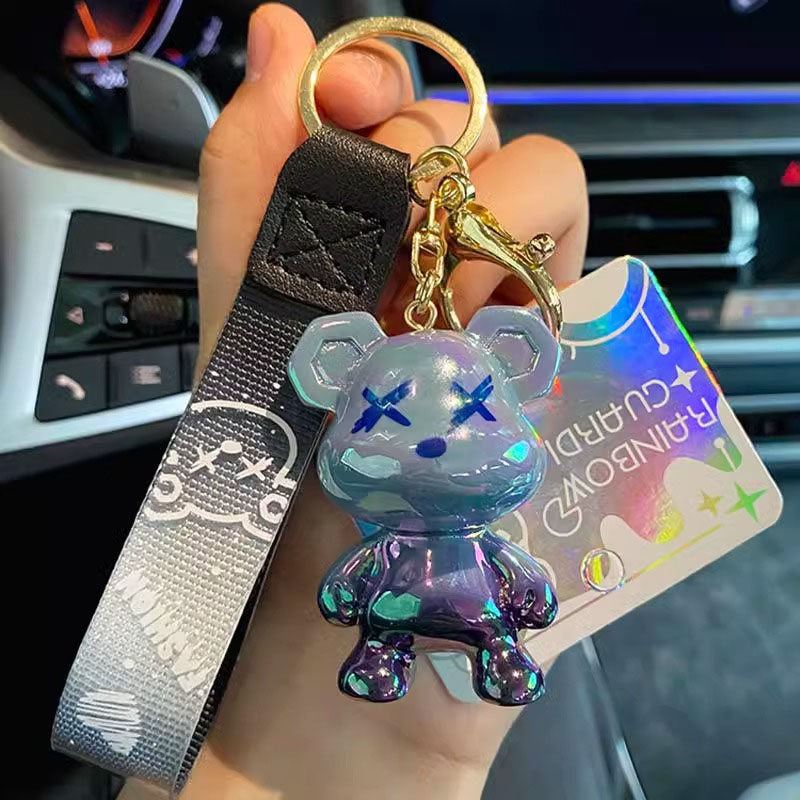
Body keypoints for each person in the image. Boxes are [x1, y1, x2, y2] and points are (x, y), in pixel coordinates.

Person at [121, 4, 588, 798]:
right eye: (386, 419)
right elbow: (348, 586)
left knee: (486, 635)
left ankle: (493, 652)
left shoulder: (479, 541)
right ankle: (392, 653)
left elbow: (517, 574)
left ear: (521, 358)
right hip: (312, 640)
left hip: (444, 645)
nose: (434, 444)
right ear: (330, 370)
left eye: (474, 414)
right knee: (382, 636)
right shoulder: (375, 530)